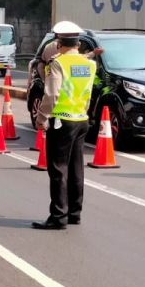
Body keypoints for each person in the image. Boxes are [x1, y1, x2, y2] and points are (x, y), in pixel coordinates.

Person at [32, 21, 96, 230]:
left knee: (58, 169)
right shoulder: (89, 64)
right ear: (78, 43)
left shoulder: (58, 63)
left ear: (59, 43)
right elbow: (86, 93)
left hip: (61, 121)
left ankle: (58, 216)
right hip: (81, 119)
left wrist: (41, 118)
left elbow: (51, 93)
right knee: (76, 168)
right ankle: (74, 213)